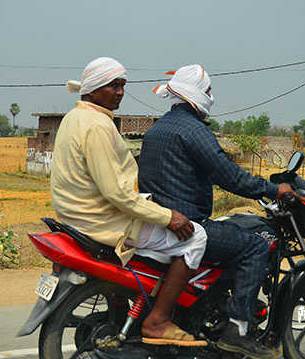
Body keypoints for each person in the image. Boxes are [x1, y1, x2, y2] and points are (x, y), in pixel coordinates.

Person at [138, 64, 295, 359]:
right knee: (254, 246)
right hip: (187, 223)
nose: (212, 95)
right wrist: (274, 189)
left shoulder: (158, 128)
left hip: (156, 223)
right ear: (196, 93)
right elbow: (230, 176)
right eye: (208, 90)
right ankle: (237, 331)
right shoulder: (194, 131)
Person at [50, 57, 208, 347]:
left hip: (76, 216)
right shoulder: (97, 125)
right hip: (104, 220)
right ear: (94, 89)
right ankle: (158, 321)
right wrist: (167, 216)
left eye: (122, 86)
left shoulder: (75, 117)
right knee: (196, 237)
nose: (120, 92)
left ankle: (127, 306)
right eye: (114, 86)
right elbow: (117, 194)